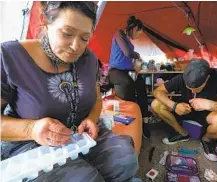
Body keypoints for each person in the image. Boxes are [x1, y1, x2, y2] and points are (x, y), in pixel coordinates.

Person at [1, 2, 139, 181]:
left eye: (84, 38)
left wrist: (91, 118)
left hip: (82, 136)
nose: (76, 47)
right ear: (45, 20)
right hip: (32, 143)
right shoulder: (10, 57)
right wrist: (31, 129)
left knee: (126, 162)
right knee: (85, 178)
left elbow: (97, 99)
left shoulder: (89, 59)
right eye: (67, 33)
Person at [151, 59, 217, 162]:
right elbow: (157, 91)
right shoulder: (184, 75)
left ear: (207, 78)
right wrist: (174, 106)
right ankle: (182, 133)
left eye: (197, 88)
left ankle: (206, 140)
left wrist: (210, 105)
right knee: (156, 104)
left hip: (209, 113)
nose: (192, 91)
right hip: (184, 108)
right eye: (189, 87)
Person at [108, 16, 151, 138]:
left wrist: (136, 68)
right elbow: (128, 53)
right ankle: (131, 121)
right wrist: (137, 55)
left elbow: (128, 59)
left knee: (141, 84)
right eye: (139, 33)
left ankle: (144, 121)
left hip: (128, 71)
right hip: (115, 71)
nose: (138, 37)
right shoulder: (119, 33)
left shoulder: (129, 41)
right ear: (135, 28)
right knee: (127, 83)